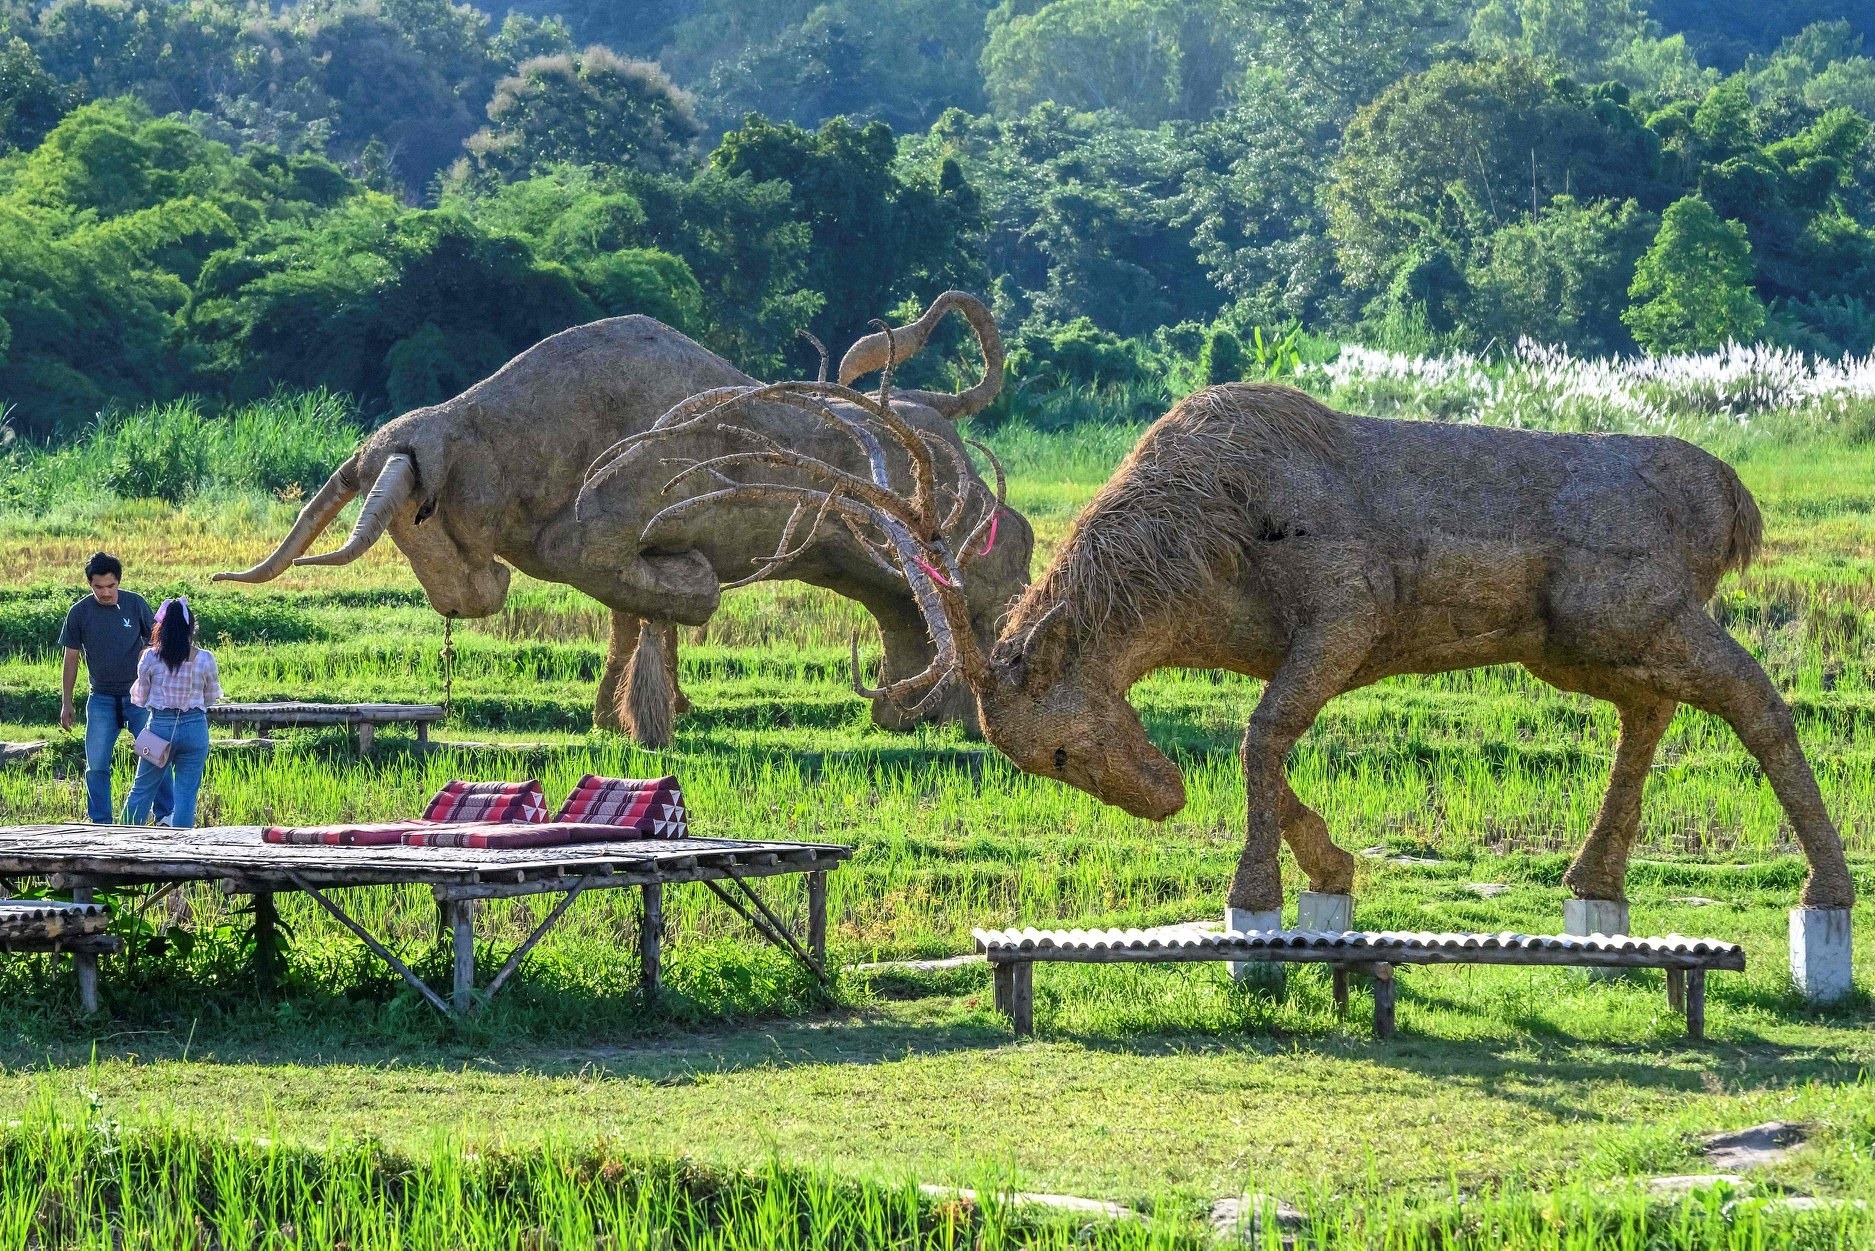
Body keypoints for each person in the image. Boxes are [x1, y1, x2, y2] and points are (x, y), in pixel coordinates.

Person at [58, 553, 172, 825]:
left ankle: (166, 814)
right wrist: (67, 702)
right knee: (97, 763)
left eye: (110, 586)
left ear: (118, 582)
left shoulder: (135, 605)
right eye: (98, 587)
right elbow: (70, 658)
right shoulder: (80, 613)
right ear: (89, 584)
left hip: (138, 699)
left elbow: (158, 644)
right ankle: (101, 823)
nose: (105, 593)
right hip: (101, 700)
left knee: (154, 754)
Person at [123, 598, 221, 828]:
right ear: (190, 628)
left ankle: (121, 838)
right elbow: (211, 696)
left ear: (161, 627)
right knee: (186, 793)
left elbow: (139, 697)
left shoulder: (149, 657)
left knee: (142, 788)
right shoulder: (205, 658)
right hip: (195, 727)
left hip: (159, 727)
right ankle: (182, 848)